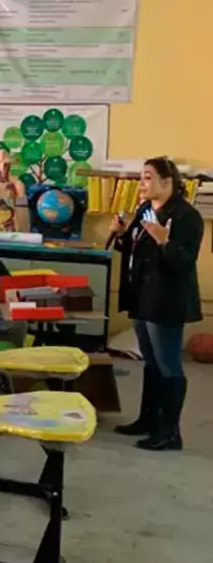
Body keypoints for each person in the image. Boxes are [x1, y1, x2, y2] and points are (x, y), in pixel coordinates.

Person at [110, 157, 203, 451]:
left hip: (166, 301)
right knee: (150, 363)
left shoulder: (187, 216)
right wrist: (122, 233)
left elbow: (185, 262)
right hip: (141, 297)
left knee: (168, 366)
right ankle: (148, 420)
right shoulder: (145, 210)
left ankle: (170, 432)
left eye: (148, 177)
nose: (142, 184)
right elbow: (133, 250)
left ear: (168, 182)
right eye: (141, 177)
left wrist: (165, 241)